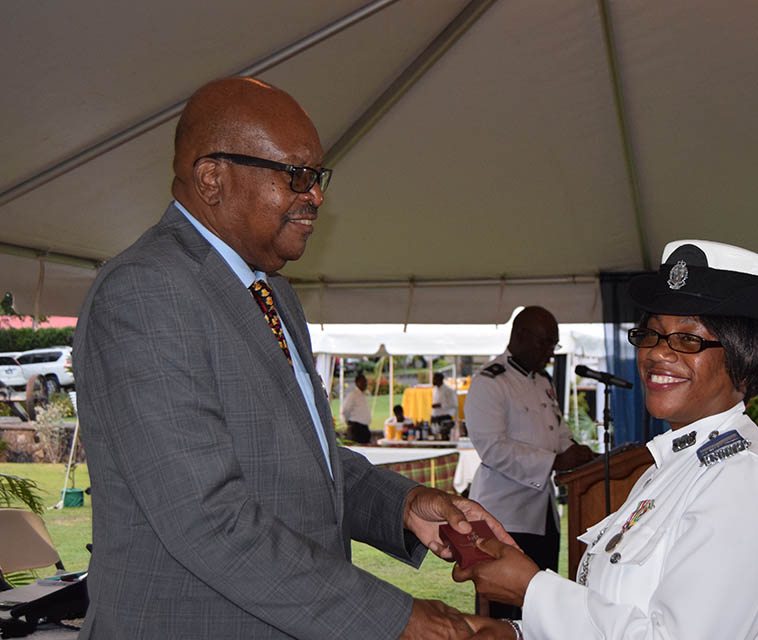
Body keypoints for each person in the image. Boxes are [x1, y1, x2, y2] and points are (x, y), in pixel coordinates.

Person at [73, 76, 514, 640]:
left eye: (318, 176)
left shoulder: (270, 291)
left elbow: (306, 461)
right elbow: (207, 517)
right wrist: (396, 619)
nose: (317, 196)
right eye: (297, 175)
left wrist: (404, 504)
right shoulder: (146, 292)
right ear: (213, 178)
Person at [455, 240, 758, 639]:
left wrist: (532, 590)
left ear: (745, 357)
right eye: (652, 335)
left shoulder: (744, 483)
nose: (657, 354)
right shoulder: (671, 467)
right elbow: (620, 614)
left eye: (687, 339)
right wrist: (515, 633)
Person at [463, 306, 596, 619]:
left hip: (542, 512)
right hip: (504, 516)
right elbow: (492, 449)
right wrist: (555, 461)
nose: (549, 352)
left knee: (537, 608)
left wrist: (578, 452)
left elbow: (557, 431)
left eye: (553, 344)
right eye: (544, 343)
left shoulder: (542, 381)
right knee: (503, 610)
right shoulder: (490, 381)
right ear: (519, 336)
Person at [342, 372, 373, 443]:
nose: (365, 384)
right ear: (357, 383)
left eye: (366, 382)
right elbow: (345, 410)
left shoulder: (362, 394)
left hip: (364, 428)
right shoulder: (352, 395)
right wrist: (349, 422)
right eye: (363, 382)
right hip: (356, 428)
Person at [431, 372, 459, 439]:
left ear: (440, 379)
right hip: (435, 415)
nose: (433, 381)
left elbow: (454, 404)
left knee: (444, 437)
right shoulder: (435, 389)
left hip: (445, 416)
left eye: (435, 379)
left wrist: (441, 405)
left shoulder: (449, 390)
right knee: (435, 436)